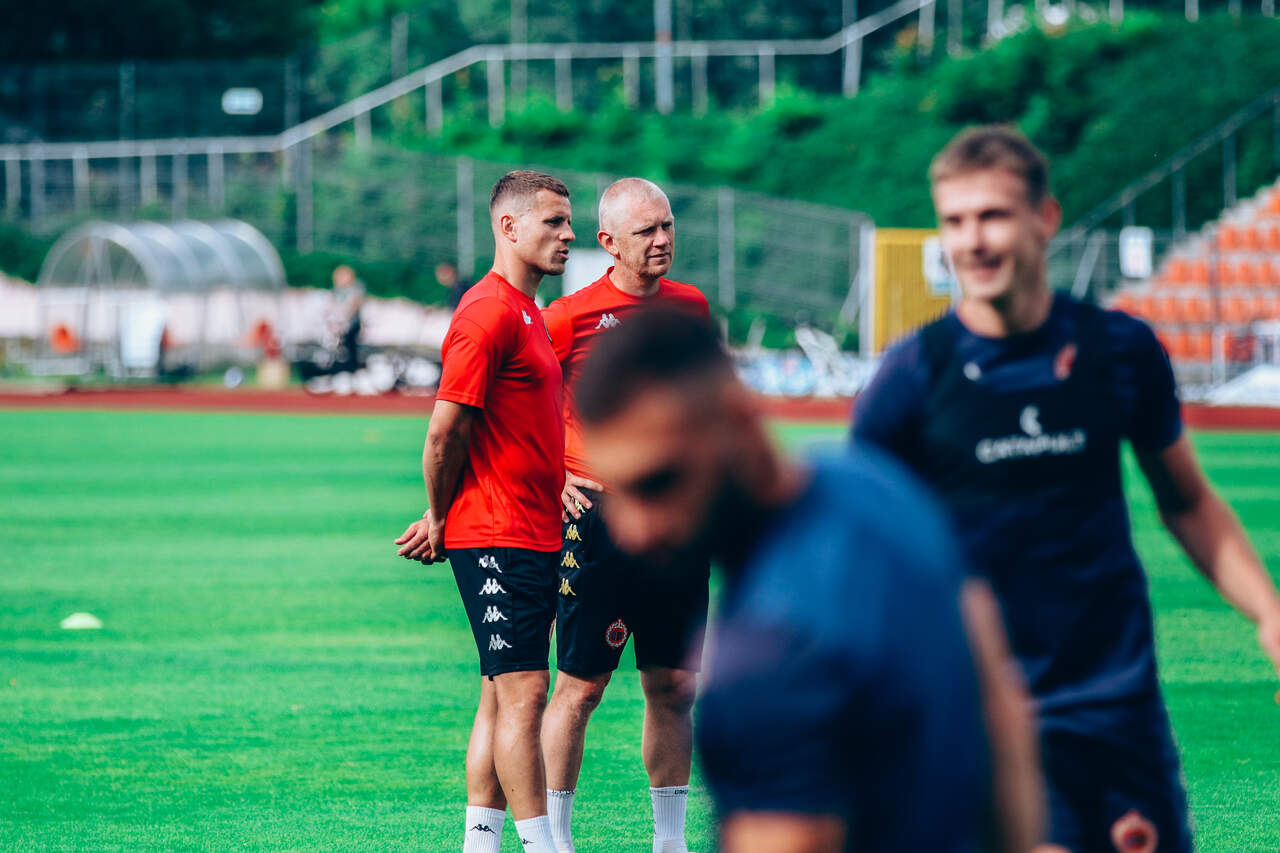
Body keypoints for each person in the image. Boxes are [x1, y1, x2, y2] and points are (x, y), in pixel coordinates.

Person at [852, 125, 1280, 853]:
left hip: (1120, 713)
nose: (972, 241)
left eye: (992, 215)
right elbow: (852, 542)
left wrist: (1269, 614)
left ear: (1045, 218)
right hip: (988, 717)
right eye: (955, 221)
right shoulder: (911, 377)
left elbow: (1186, 501)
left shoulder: (1121, 351)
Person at [574, 309, 1047, 853]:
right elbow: (999, 702)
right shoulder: (873, 485)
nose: (632, 532)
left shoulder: (766, 656)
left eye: (658, 483)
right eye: (620, 492)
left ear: (739, 419)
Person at [394, 170, 575, 853]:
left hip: (529, 528)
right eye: (554, 221)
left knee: (501, 695)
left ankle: (481, 843)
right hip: (498, 533)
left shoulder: (527, 311)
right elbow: (445, 431)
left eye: (568, 221)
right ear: (509, 226)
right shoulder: (487, 313)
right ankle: (543, 845)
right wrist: (440, 517)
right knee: (525, 692)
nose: (568, 234)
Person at [538, 178, 711, 853]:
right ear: (609, 242)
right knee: (581, 687)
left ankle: (670, 842)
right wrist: (554, 474)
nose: (662, 239)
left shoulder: (691, 307)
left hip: (678, 516)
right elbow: (517, 407)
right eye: (647, 231)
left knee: (675, 683)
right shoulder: (568, 317)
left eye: (667, 225)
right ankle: (553, 842)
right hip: (600, 517)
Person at [330, 264, 364, 372]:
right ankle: (343, 367)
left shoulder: (356, 288)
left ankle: (352, 368)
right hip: (339, 323)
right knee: (341, 346)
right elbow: (333, 303)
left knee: (351, 345)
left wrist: (345, 315)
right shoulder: (337, 290)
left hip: (352, 323)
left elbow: (356, 303)